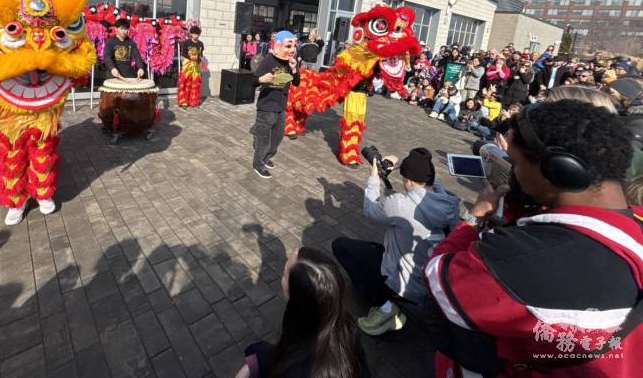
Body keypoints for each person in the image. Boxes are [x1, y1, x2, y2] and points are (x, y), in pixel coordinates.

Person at [423, 100, 642, 377]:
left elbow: (438, 276)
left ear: (559, 170)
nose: (513, 172)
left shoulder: (522, 256)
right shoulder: (634, 224)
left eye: (515, 163)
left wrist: (475, 217)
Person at [333, 148, 459, 336]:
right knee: (378, 248)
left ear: (408, 180)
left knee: (341, 246)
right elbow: (430, 181)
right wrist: (403, 165)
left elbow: (370, 210)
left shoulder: (401, 205)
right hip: (432, 281)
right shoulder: (449, 202)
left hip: (404, 286)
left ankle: (386, 307)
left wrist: (374, 177)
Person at [237, 247, 370, 378]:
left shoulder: (299, 366)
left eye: (285, 274)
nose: (282, 277)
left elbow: (273, 360)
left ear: (297, 296)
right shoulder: (346, 324)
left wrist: (253, 363)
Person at [252, 31, 300, 179]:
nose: (292, 49)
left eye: (294, 46)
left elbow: (297, 83)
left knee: (278, 136)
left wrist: (294, 69)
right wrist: (261, 80)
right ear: (278, 45)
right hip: (267, 107)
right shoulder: (268, 60)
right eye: (288, 46)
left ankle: (266, 157)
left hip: (281, 107)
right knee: (264, 139)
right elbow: (252, 81)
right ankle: (258, 164)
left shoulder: (289, 62)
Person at [177, 25, 204, 108]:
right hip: (187, 65)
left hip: (196, 66)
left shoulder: (200, 44)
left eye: (197, 34)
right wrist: (190, 58)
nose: (195, 36)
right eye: (194, 34)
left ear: (199, 35)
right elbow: (183, 53)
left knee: (195, 83)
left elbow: (201, 55)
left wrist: (199, 63)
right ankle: (183, 101)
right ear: (191, 34)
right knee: (185, 82)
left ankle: (193, 101)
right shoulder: (187, 42)